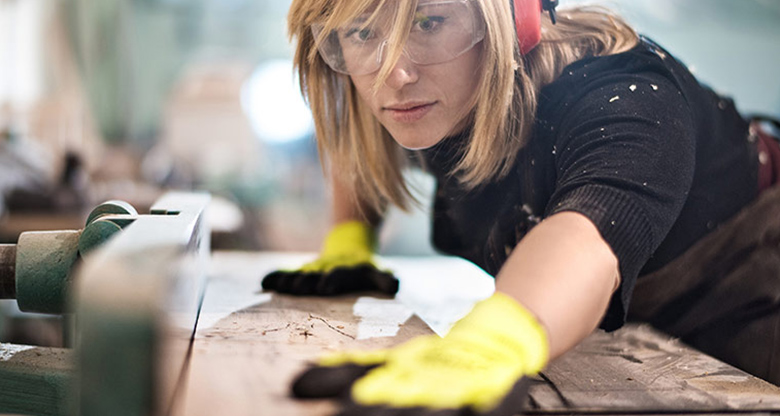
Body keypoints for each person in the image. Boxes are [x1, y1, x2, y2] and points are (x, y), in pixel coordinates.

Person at [261, 0, 780, 414]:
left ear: (514, 20)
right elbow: (362, 139)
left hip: (755, 274)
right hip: (631, 305)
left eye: (429, 21)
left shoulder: (626, 97)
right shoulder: (427, 89)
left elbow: (588, 236)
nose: (393, 73)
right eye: (360, 32)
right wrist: (349, 242)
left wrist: (493, 341)